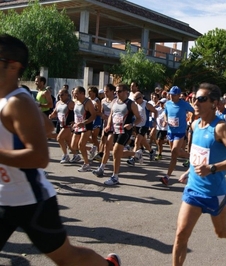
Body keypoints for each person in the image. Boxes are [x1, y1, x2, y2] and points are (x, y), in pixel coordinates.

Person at [0, 33, 120, 266]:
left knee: (68, 258)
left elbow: (39, 157)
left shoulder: (18, 102)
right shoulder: (14, 99)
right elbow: (45, 126)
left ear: (12, 66)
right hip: (4, 195)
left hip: (30, 201)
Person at [172, 83, 226, 265]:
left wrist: (212, 168)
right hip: (193, 189)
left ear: (214, 103)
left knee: (222, 232)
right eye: (195, 98)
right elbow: (198, 154)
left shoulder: (220, 128)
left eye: (201, 99)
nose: (196, 102)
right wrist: (189, 170)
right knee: (180, 235)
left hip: (214, 192)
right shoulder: (194, 125)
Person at [103, 84, 142, 186]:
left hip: (125, 131)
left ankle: (115, 177)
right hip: (115, 130)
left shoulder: (131, 104)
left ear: (125, 92)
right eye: (116, 91)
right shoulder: (115, 101)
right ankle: (136, 154)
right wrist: (108, 125)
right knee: (117, 153)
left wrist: (132, 124)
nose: (117, 93)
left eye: (119, 91)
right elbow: (112, 114)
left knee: (115, 153)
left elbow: (139, 118)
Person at [160, 86, 194, 186]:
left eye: (174, 95)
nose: (171, 96)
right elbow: (166, 113)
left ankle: (167, 177)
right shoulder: (168, 104)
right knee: (174, 155)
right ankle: (167, 177)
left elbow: (194, 112)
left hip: (180, 132)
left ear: (179, 95)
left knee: (175, 150)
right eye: (170, 94)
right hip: (170, 131)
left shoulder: (184, 104)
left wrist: (192, 120)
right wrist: (165, 120)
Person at [71, 86, 97, 172]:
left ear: (82, 93)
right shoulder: (75, 101)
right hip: (77, 126)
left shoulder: (88, 102)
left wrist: (84, 122)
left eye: (77, 93)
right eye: (74, 93)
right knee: (73, 146)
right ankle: (91, 149)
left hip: (86, 126)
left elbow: (94, 115)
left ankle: (86, 164)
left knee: (81, 145)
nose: (75, 94)